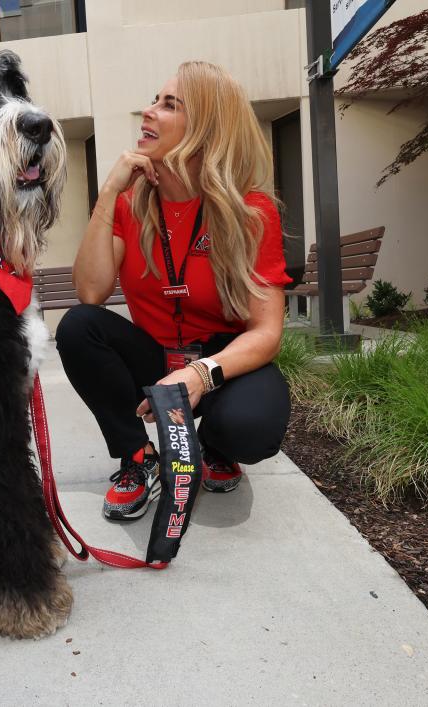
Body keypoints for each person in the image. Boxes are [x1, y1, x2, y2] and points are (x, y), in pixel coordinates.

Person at [56, 61, 292, 522]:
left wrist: (201, 375)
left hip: (218, 361)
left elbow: (267, 332)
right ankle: (137, 457)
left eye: (168, 105)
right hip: (154, 355)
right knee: (79, 327)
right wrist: (109, 193)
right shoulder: (130, 203)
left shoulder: (251, 212)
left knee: (252, 427)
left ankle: (215, 448)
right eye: (153, 100)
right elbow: (90, 291)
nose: (148, 112)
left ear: (205, 127)